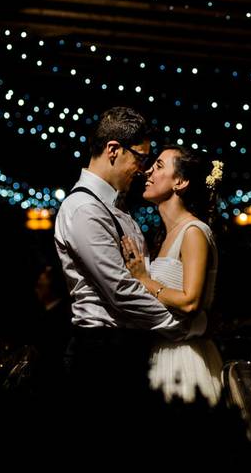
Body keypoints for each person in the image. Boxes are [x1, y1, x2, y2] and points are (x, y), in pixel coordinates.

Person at [53, 107, 197, 395]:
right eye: (141, 158)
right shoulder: (85, 209)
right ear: (114, 150)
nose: (144, 169)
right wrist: (179, 327)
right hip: (101, 353)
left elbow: (140, 278)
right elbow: (120, 290)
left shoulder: (115, 205)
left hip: (125, 347)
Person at [122, 145, 224, 406]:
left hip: (185, 358)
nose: (148, 172)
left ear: (180, 182)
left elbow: (191, 301)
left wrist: (145, 279)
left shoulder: (193, 232)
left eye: (158, 166)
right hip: (162, 352)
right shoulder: (166, 235)